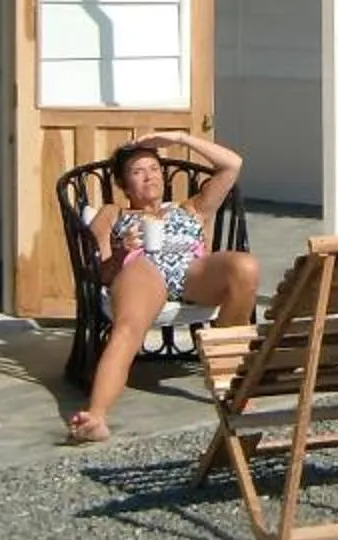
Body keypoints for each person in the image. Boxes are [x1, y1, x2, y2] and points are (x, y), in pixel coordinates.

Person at [65, 129, 261, 443]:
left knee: (245, 267)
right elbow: (99, 272)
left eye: (154, 169)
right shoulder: (113, 213)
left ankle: (230, 379)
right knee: (128, 328)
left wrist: (179, 138)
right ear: (123, 183)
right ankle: (97, 417)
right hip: (141, 268)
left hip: (193, 271)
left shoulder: (191, 208)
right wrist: (120, 252)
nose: (149, 177)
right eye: (137, 172)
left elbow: (232, 165)